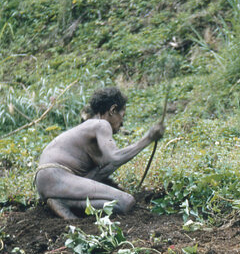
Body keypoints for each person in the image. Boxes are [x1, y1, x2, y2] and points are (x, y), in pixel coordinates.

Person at [35, 86, 164, 220]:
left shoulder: (90, 126)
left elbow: (105, 167)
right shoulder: (102, 124)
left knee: (116, 191)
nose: (122, 123)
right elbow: (114, 157)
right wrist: (148, 138)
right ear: (113, 110)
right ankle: (65, 201)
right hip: (56, 175)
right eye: (122, 116)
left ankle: (64, 200)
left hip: (47, 178)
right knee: (126, 202)